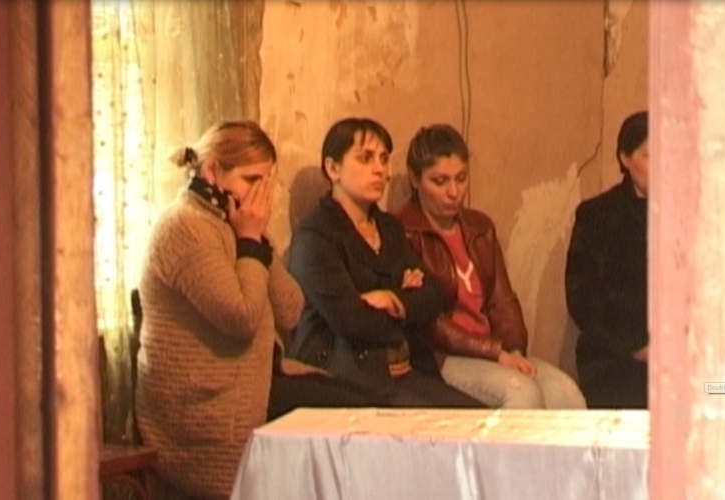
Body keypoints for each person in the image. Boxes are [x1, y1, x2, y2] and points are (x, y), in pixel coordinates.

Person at [135, 120, 381, 498]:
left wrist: (256, 241)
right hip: (206, 409)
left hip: (253, 383)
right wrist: (249, 241)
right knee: (346, 422)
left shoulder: (232, 222)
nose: (260, 195)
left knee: (363, 407)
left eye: (267, 181)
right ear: (213, 171)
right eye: (251, 180)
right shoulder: (184, 228)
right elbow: (242, 317)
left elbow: (290, 309)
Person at [288, 117, 484, 408]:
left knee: (478, 418)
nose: (380, 170)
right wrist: (404, 300)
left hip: (406, 369)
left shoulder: (389, 227)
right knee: (440, 425)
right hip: (347, 377)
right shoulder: (316, 236)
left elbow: (434, 295)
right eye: (365, 158)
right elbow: (352, 321)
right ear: (333, 168)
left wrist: (392, 299)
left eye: (383, 159)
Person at [394, 124, 586, 409]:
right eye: (440, 181)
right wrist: (496, 353)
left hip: (493, 348)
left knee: (566, 393)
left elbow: (502, 301)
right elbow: (430, 323)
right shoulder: (403, 231)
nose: (454, 192)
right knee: (521, 392)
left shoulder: (479, 227)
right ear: (415, 179)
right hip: (443, 356)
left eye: (461, 178)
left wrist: (514, 349)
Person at [565, 110, 650, 409]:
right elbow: (582, 297)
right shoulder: (597, 215)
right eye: (649, 156)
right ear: (625, 158)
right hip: (614, 355)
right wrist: (637, 344)